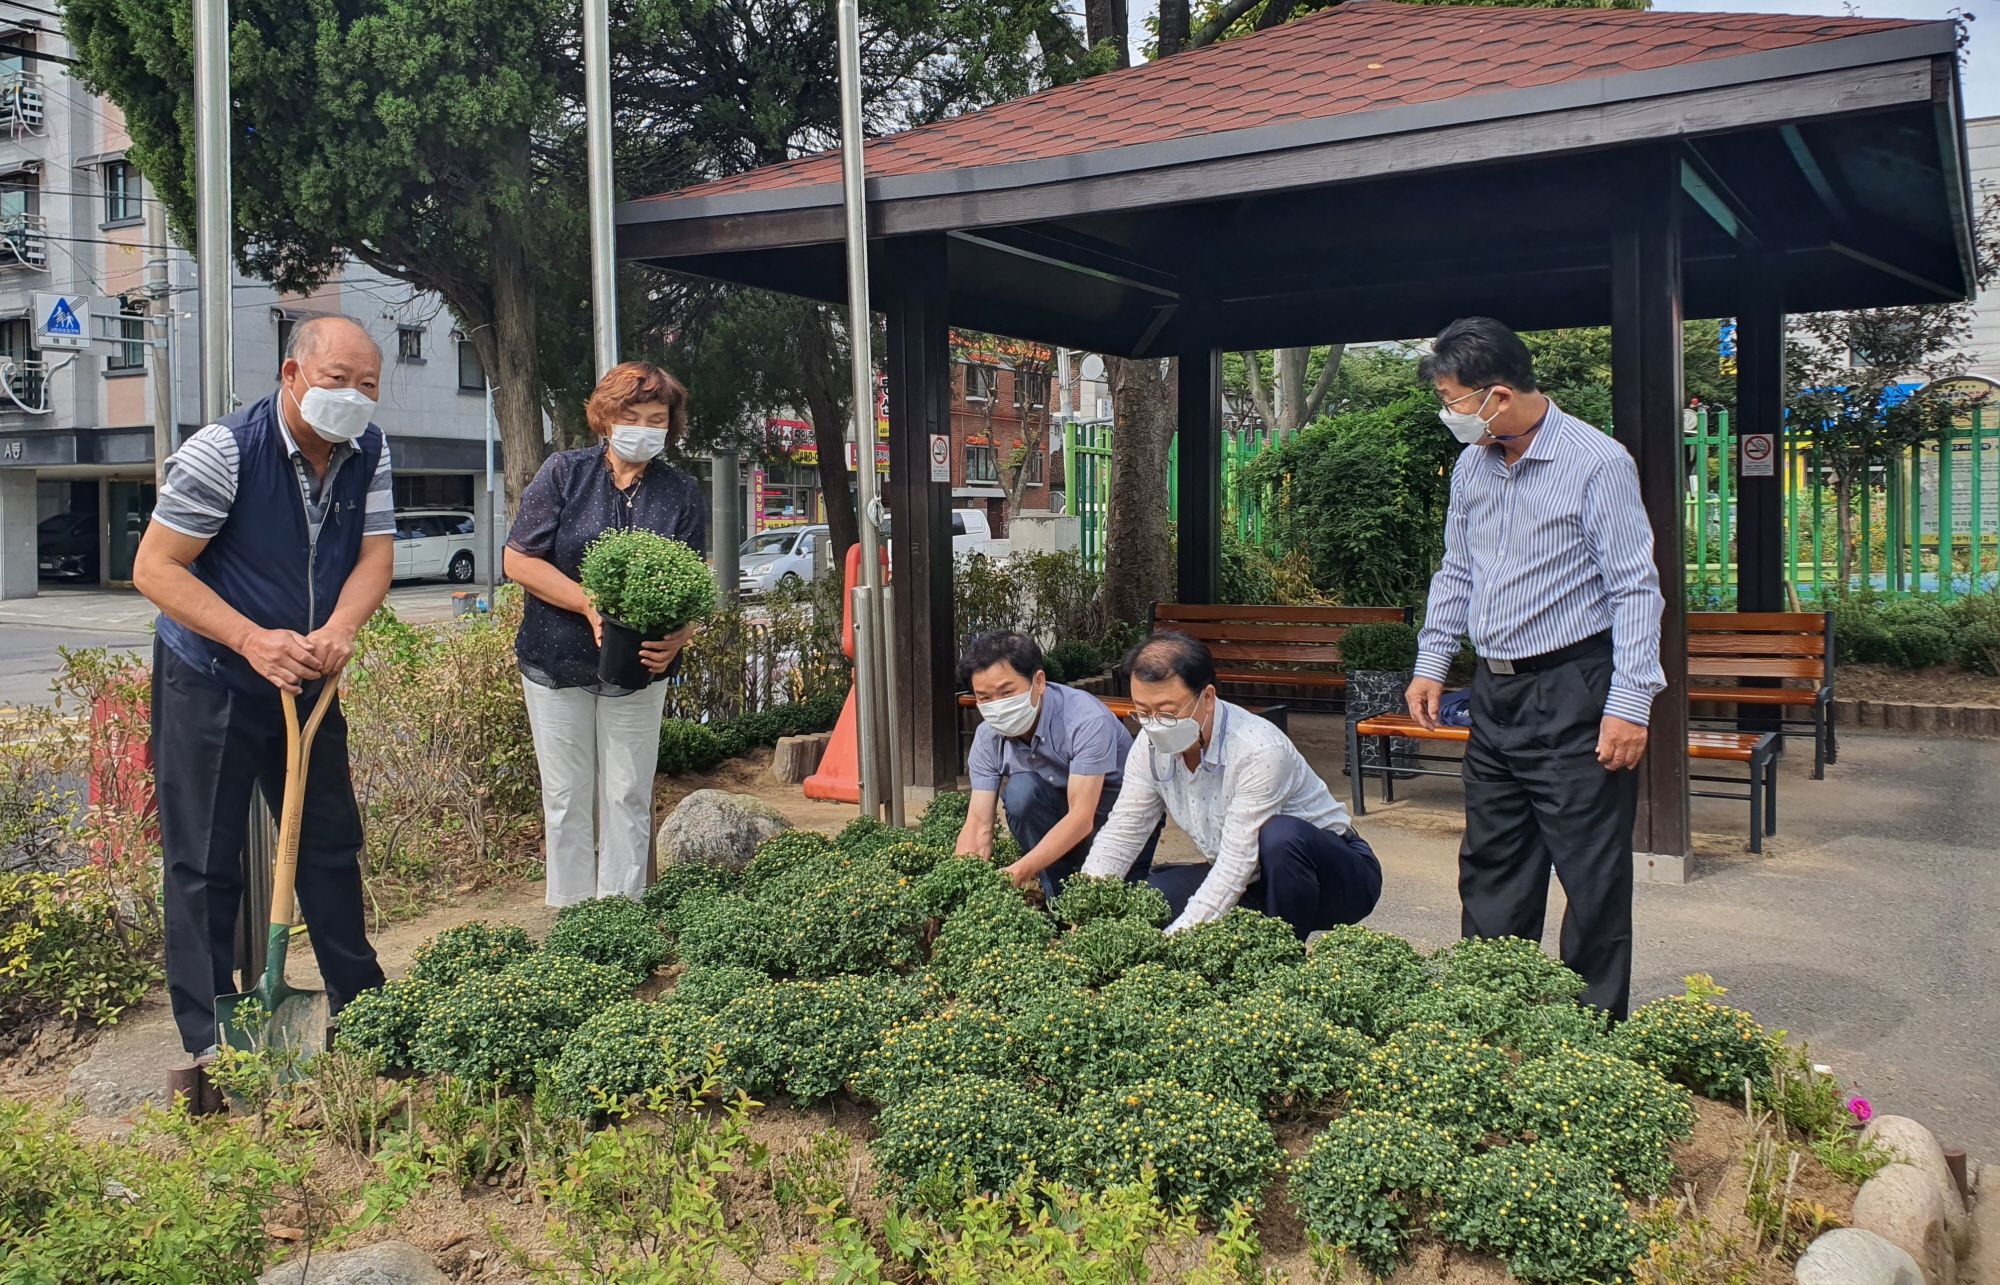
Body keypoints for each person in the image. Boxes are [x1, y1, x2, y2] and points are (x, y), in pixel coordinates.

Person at [135, 314, 393, 1059]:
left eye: (368, 384)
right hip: (211, 675)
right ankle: (211, 1037)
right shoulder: (224, 451)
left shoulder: (369, 449)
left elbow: (374, 556)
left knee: (328, 842)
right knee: (204, 858)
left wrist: (341, 627)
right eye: (337, 379)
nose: (353, 396)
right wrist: (250, 639)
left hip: (309, 675)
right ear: (291, 375)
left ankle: (362, 1007)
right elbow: (156, 567)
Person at [1405, 316, 1665, 1020]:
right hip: (1496, 690)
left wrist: (1630, 702)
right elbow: (1457, 569)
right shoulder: (1474, 464)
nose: (1449, 414)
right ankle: (1494, 1017)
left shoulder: (1596, 462)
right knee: (1493, 863)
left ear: (1497, 394)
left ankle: (1589, 1034)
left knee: (1590, 872)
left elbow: (1634, 588)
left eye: (1453, 400)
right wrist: (1433, 660)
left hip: (1576, 686)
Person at [504, 361, 705, 907]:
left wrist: (680, 636)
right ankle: (572, 915)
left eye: (657, 419)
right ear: (605, 418)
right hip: (555, 657)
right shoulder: (564, 473)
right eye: (632, 416)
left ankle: (622, 911)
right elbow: (518, 560)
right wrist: (587, 602)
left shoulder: (681, 491)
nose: (644, 428)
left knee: (628, 792)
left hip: (641, 664)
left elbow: (691, 582)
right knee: (566, 795)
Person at [1082, 632, 1381, 938]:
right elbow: (1123, 831)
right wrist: (1085, 907)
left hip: (1332, 881)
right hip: (1251, 878)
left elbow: (1237, 862)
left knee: (1281, 836)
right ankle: (1256, 931)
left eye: (1168, 712)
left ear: (1207, 698)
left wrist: (1176, 941)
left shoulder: (1258, 749)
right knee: (1151, 900)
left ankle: (1285, 951)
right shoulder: (1148, 746)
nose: (1155, 724)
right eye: (1143, 712)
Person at [955, 631, 1159, 899]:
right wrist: (961, 884)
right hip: (1060, 819)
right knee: (1022, 792)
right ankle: (1058, 899)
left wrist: (1019, 870)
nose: (998, 706)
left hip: (1117, 823)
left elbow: (1081, 818)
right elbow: (978, 824)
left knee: (1118, 902)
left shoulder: (1085, 720)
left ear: (1039, 682)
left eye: (1007, 692)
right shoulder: (987, 738)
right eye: (984, 697)